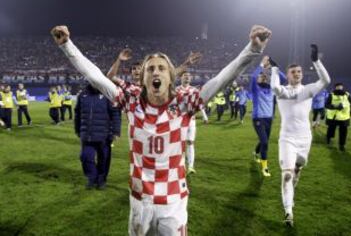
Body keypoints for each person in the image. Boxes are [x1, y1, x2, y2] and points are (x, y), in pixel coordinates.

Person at [52, 24, 271, 235]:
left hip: (173, 200)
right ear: (144, 79)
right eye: (151, 69)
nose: (156, 72)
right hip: (140, 199)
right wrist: (66, 45)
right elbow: (95, 77)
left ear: (170, 77)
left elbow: (223, 78)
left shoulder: (186, 101)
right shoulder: (131, 100)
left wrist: (253, 49)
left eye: (162, 68)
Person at [270, 44, 331, 227]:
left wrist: (316, 61)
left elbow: (326, 80)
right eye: (293, 72)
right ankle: (289, 211)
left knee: (297, 171)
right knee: (287, 175)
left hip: (305, 139)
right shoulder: (283, 91)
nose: (297, 74)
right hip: (287, 139)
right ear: (287, 75)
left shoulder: (308, 90)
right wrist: (274, 69)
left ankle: (291, 192)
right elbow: (274, 87)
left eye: (299, 71)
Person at [75, 84, 121, 189]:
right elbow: (77, 113)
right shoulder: (83, 95)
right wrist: (78, 129)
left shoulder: (108, 95)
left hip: (104, 135)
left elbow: (115, 114)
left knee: (104, 159)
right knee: (85, 156)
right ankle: (92, 177)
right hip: (87, 135)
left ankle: (101, 180)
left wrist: (116, 132)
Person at [250, 56, 286, 177]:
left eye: (264, 76)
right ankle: (264, 167)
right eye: (261, 76)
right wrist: (261, 64)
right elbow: (253, 77)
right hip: (258, 118)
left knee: (263, 140)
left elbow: (284, 79)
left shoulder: (271, 89)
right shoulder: (255, 88)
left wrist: (273, 68)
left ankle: (255, 152)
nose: (262, 76)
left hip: (269, 119)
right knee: (265, 142)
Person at [176, 70, 208, 174]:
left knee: (190, 142)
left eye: (189, 76)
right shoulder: (176, 90)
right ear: (181, 78)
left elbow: (200, 104)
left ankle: (190, 166)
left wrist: (204, 116)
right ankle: (181, 165)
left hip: (191, 120)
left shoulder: (194, 90)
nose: (187, 77)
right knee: (180, 143)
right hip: (179, 120)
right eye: (185, 76)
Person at [325, 83, 351, 151]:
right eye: (338, 87)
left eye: (341, 87)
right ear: (335, 88)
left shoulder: (347, 94)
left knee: (343, 132)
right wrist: (334, 106)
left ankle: (342, 145)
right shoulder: (331, 94)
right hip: (333, 116)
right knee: (331, 129)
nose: (339, 88)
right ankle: (328, 139)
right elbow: (326, 105)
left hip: (344, 117)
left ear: (343, 87)